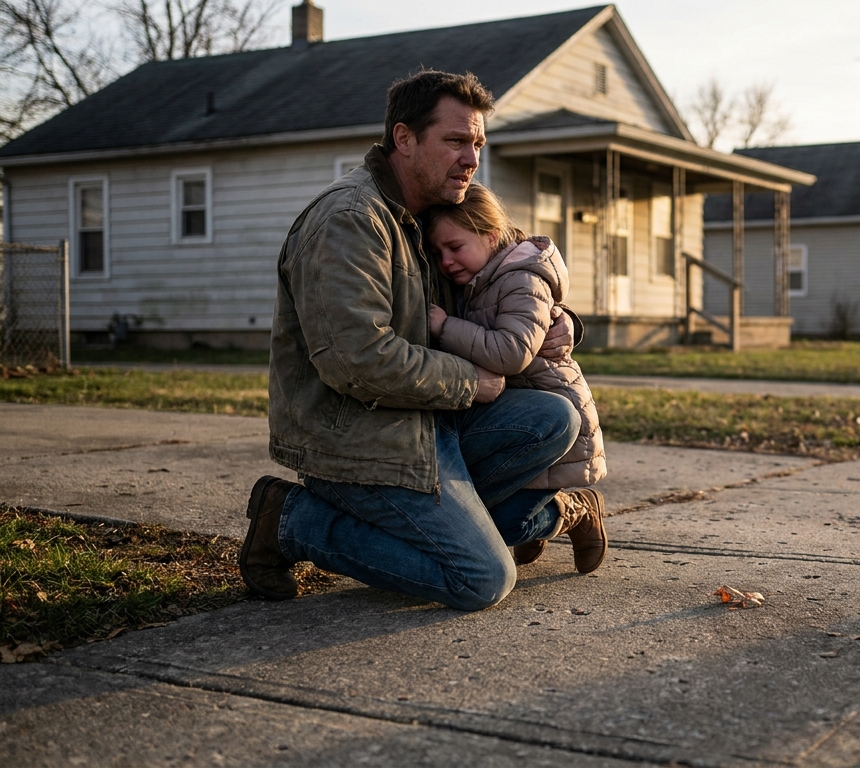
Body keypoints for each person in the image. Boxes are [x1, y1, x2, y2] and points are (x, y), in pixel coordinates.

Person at [238, 69, 604, 612]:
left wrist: (563, 318)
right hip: (359, 440)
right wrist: (469, 381)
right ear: (404, 139)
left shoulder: (426, 214)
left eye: (477, 143)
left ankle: (495, 519)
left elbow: (509, 270)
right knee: (480, 579)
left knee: (554, 417)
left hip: (429, 423)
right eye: (456, 141)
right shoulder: (350, 221)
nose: (472, 157)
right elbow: (355, 359)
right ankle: (291, 519)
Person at [425, 184, 607, 572]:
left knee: (507, 524)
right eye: (438, 253)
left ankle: (574, 510)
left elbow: (511, 352)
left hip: (545, 416)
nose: (446, 261)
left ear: (490, 236)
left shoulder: (520, 277)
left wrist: (445, 327)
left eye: (455, 247)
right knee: (485, 520)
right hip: (511, 421)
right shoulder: (478, 280)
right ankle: (535, 525)